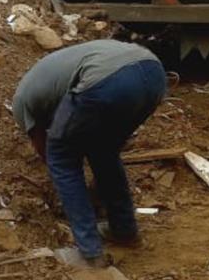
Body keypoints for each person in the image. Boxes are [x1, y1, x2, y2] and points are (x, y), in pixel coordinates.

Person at [12, 39, 166, 266]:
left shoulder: (22, 102)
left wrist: (67, 184)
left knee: (61, 158)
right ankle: (124, 230)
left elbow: (45, 147)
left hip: (106, 81)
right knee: (104, 151)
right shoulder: (51, 81)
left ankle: (89, 252)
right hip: (153, 74)